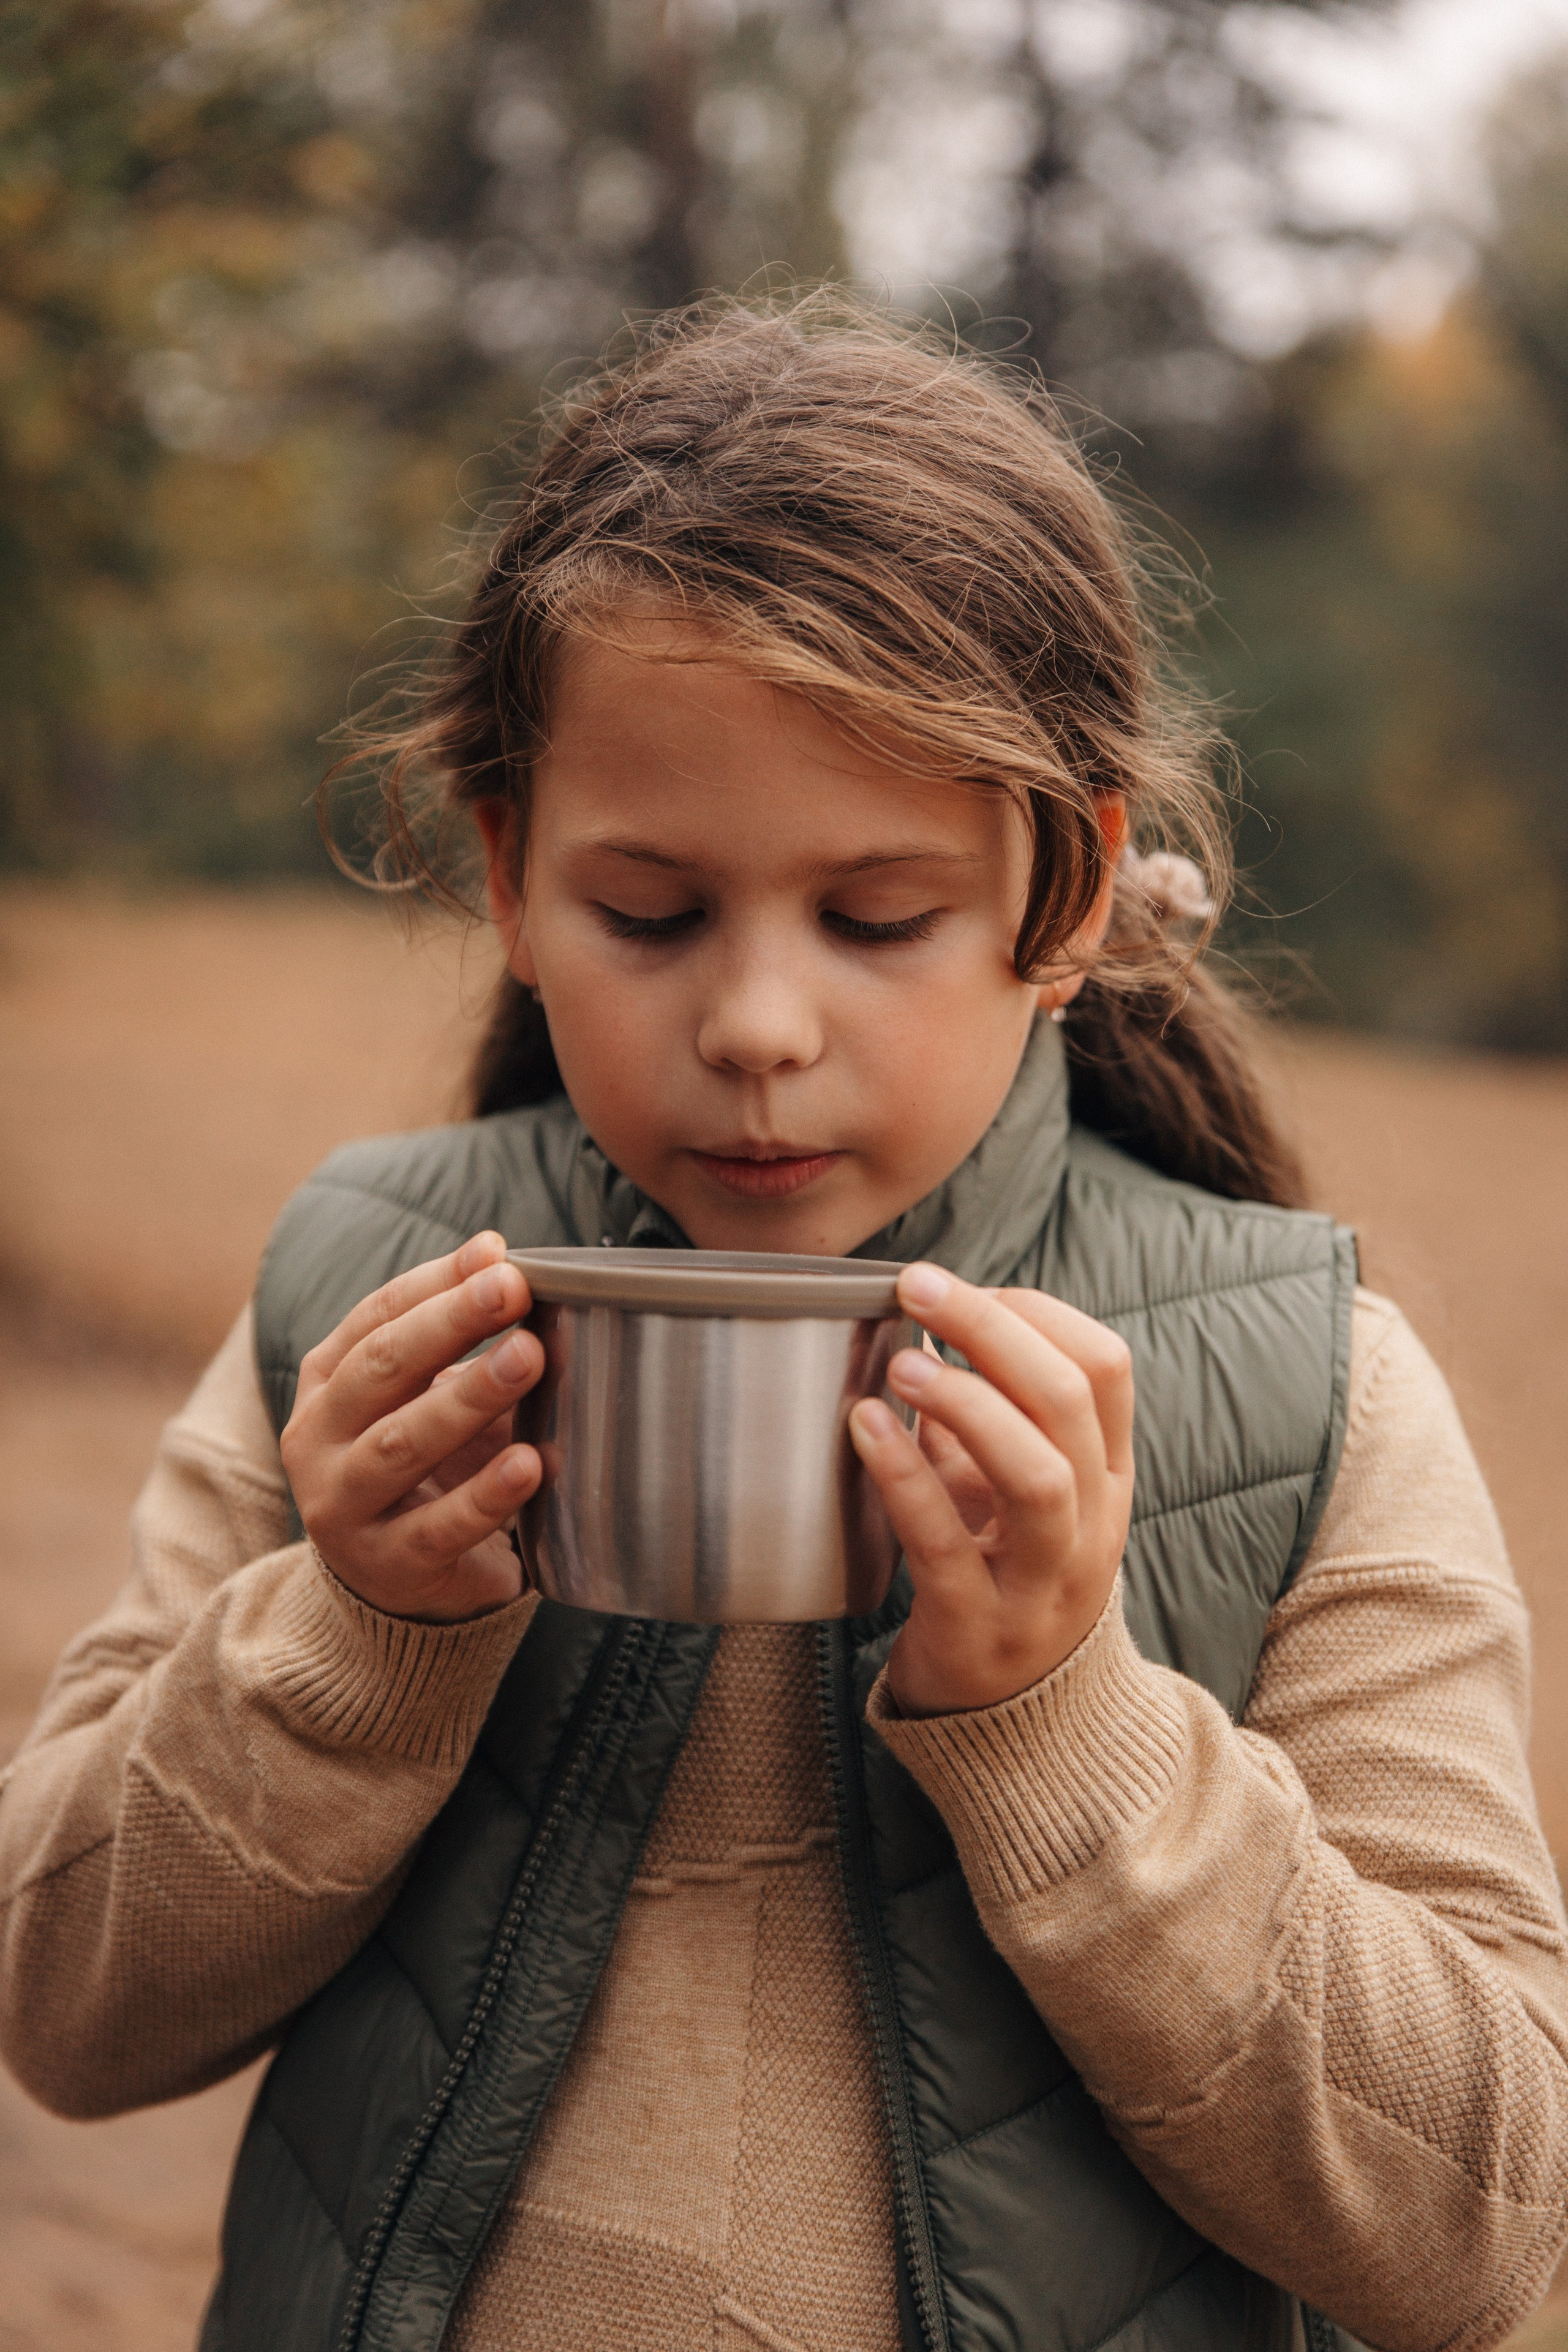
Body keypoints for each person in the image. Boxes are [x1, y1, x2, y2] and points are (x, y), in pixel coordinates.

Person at [1, 294, 1564, 2352]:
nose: (753, 1027)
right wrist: (353, 1638)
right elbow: (67, 2010)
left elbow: (1491, 2227)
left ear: (1065, 893)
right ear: (509, 870)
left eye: (875, 916)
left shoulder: (1307, 1391)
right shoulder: (360, 1311)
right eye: (648, 913)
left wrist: (1064, 1728)